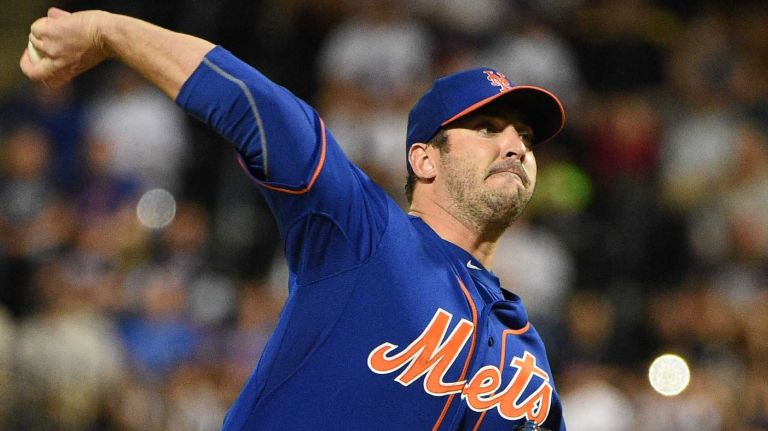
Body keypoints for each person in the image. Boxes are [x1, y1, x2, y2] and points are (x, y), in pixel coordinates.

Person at [21, 7, 567, 430]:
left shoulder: (528, 360)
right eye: (488, 128)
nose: (515, 146)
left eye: (525, 136)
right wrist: (108, 30)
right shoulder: (366, 234)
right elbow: (257, 106)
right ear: (425, 160)